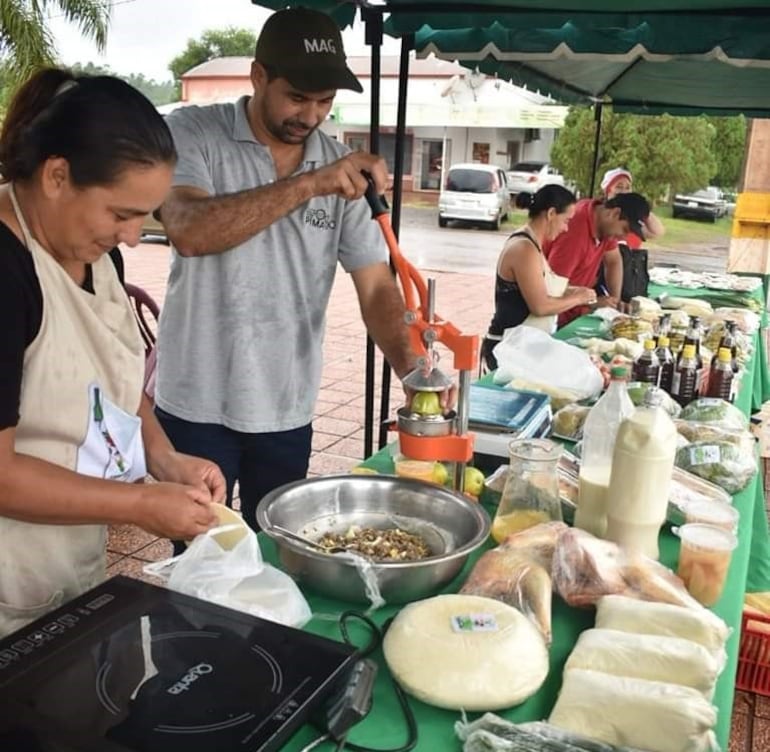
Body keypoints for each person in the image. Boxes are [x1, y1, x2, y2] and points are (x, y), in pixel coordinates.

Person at [153, 8, 417, 531]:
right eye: (297, 97)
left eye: (325, 102)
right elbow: (188, 228)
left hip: (285, 404)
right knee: (198, 554)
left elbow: (375, 283)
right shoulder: (192, 132)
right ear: (258, 77)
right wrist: (310, 184)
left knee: (279, 548)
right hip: (194, 400)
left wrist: (409, 363)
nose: (311, 116)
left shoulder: (342, 168)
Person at [0, 67, 226, 638]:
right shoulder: (7, 272)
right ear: (57, 176)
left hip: (62, 571)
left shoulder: (98, 255)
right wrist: (139, 506)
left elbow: (113, 384)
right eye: (120, 214)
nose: (131, 237)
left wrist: (166, 459)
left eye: (142, 218)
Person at [481, 186, 597, 371]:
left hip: (526, 346)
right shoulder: (524, 248)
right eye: (566, 220)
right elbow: (540, 306)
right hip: (508, 348)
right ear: (551, 213)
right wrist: (578, 298)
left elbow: (537, 286)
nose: (566, 228)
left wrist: (572, 291)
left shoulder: (534, 243)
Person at [543, 192, 651, 327]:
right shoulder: (575, 233)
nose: (624, 237)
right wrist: (592, 301)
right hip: (554, 318)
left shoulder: (603, 222)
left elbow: (614, 261)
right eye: (625, 229)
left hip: (574, 309)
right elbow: (553, 287)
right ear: (615, 213)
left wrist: (614, 302)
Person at [598, 168, 665, 309]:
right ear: (607, 190)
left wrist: (639, 208)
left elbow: (657, 231)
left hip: (631, 281)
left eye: (628, 188)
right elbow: (611, 261)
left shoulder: (632, 217)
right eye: (619, 187)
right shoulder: (603, 218)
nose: (623, 191)